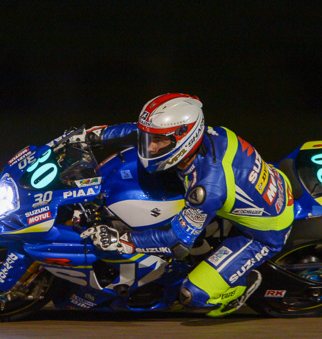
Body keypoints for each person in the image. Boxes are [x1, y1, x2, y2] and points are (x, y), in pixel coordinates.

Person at [78, 93, 295, 317]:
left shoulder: (208, 187)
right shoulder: (204, 134)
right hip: (260, 187)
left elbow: (177, 242)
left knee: (193, 297)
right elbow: (137, 130)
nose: (150, 147)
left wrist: (121, 240)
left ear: (185, 136)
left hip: (263, 233)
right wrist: (95, 136)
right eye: (149, 138)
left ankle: (242, 284)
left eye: (159, 141)